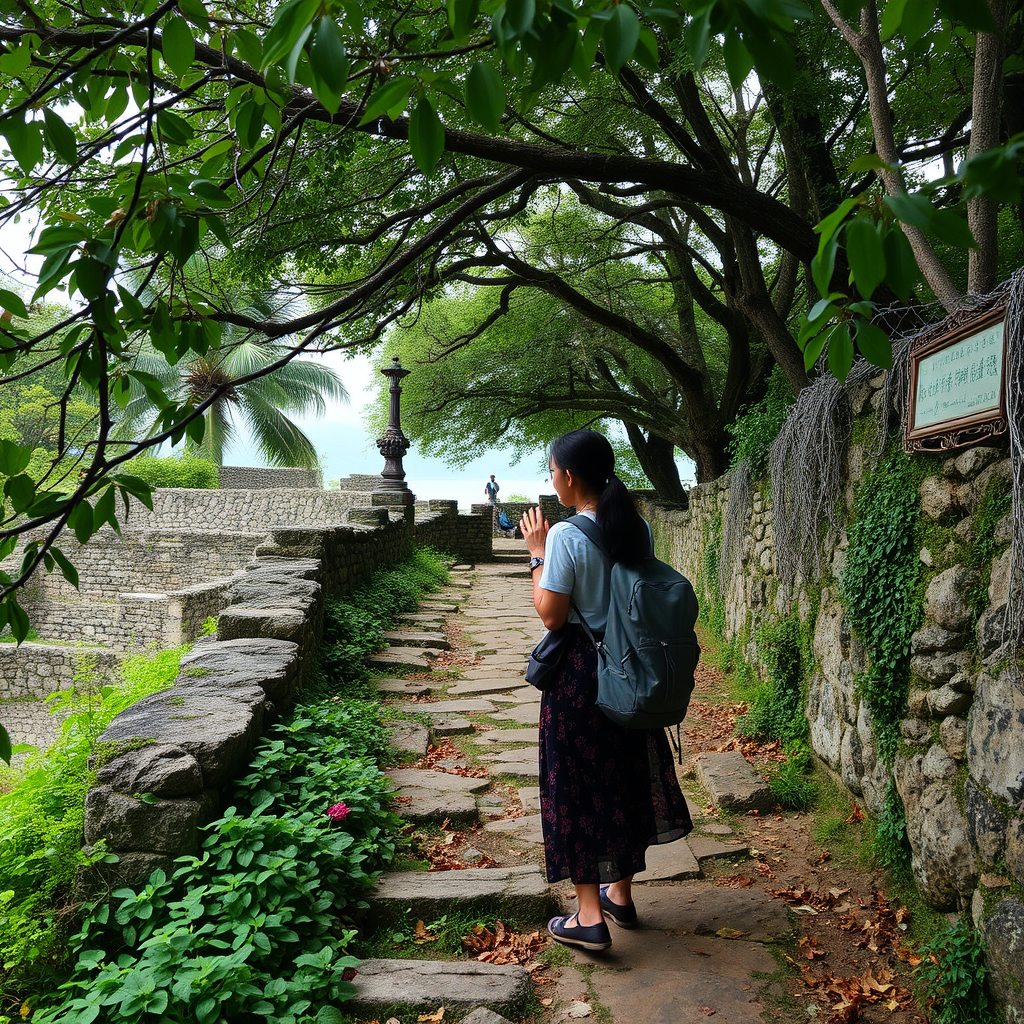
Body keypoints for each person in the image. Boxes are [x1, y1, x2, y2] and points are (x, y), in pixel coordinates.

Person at [519, 429, 692, 952]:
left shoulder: (567, 537)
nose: (552, 480)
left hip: (579, 678)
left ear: (570, 476)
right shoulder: (634, 525)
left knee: (575, 786)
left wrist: (536, 553)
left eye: (552, 471)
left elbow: (551, 616)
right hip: (628, 670)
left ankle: (588, 917)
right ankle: (621, 892)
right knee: (621, 778)